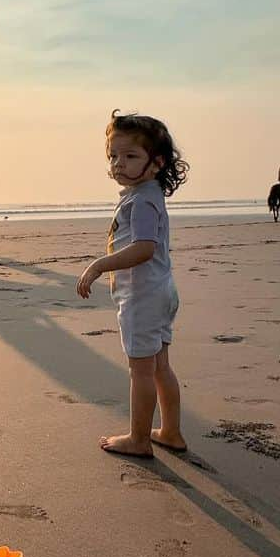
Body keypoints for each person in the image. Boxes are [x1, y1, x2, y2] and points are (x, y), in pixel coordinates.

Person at [76, 110, 189, 458]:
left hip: (143, 296)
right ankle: (170, 431)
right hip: (159, 290)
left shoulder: (141, 200)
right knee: (159, 366)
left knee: (141, 371)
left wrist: (98, 266)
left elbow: (143, 248)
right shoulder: (146, 194)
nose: (118, 164)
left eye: (130, 156)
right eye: (113, 156)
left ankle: (139, 439)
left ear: (156, 163)